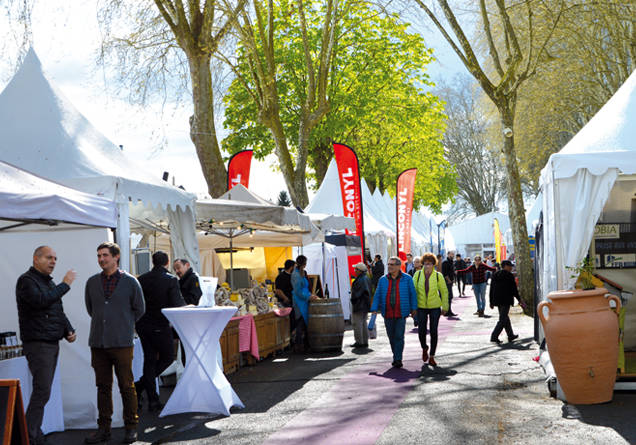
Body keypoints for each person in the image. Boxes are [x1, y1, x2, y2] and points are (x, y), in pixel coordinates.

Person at [84, 242, 145, 444]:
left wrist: (123, 324)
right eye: (99, 255)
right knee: (102, 386)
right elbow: (91, 309)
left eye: (105, 255)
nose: (101, 259)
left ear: (116, 257)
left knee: (126, 386)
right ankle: (104, 428)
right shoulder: (92, 282)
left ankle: (131, 427)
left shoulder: (130, 282)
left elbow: (139, 309)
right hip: (99, 343)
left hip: (122, 342)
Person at [16, 246, 77, 445]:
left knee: (43, 391)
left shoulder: (47, 282)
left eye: (55, 259)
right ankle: (29, 435)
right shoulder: (27, 281)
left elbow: (56, 308)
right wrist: (65, 285)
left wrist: (68, 329)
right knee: (42, 390)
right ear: (36, 259)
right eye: (49, 258)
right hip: (38, 343)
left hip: (49, 341)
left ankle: (31, 432)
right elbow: (40, 301)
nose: (53, 262)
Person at [136, 251, 185, 413]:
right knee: (167, 357)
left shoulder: (141, 279)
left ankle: (151, 398)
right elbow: (177, 304)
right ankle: (141, 387)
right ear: (167, 262)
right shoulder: (171, 280)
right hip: (160, 324)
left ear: (152, 262)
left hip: (143, 325)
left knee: (149, 360)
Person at [370, 256, 417, 368]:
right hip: (387, 313)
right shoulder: (382, 280)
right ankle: (396, 355)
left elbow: (413, 294)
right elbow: (377, 295)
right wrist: (374, 309)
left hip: (401, 313)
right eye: (389, 264)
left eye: (392, 264)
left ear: (398, 266)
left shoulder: (407, 278)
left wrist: (414, 309)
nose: (389, 266)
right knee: (391, 337)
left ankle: (398, 359)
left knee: (399, 336)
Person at [412, 253, 449, 367]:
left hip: (435, 307)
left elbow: (444, 291)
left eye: (430, 264)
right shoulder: (417, 275)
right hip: (421, 307)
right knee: (421, 331)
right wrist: (413, 308)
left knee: (434, 331)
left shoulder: (438, 276)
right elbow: (413, 292)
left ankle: (432, 356)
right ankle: (424, 348)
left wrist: (445, 307)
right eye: (426, 264)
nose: (428, 266)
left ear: (434, 264)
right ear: (423, 264)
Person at [489, 260, 521, 344]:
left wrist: (491, 301)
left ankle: (510, 335)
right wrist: (519, 299)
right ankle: (494, 336)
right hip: (506, 300)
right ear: (505, 266)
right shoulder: (509, 275)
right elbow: (514, 290)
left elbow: (491, 289)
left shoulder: (495, 274)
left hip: (497, 300)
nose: (511, 267)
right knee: (502, 319)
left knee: (505, 317)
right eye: (510, 266)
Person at [291, 255, 317, 352]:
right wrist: (308, 296)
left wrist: (310, 295)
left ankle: (305, 344)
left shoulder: (301, 273)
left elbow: (304, 288)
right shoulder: (295, 275)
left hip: (305, 300)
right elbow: (297, 291)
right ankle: (299, 345)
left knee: (305, 323)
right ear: (304, 264)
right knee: (300, 323)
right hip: (299, 301)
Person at [350, 262, 372, 348]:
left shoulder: (360, 280)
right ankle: (364, 341)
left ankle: (359, 341)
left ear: (359, 270)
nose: (355, 270)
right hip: (365, 305)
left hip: (359, 305)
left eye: (356, 269)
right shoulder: (366, 278)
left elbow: (357, 294)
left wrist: (353, 300)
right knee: (363, 323)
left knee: (357, 324)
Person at [441, 252, 457, 317]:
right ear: (448, 254)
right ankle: (447, 311)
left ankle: (449, 310)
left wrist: (453, 279)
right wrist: (449, 280)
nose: (452, 255)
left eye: (453, 254)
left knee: (450, 297)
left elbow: (452, 271)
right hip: (446, 282)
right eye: (451, 254)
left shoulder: (452, 262)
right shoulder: (445, 262)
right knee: (448, 296)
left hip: (451, 281)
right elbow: (445, 273)